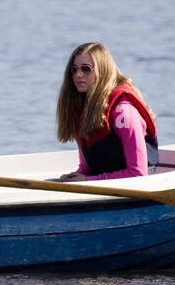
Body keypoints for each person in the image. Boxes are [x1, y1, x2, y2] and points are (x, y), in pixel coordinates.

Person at [55, 43, 158, 182]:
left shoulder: (124, 113)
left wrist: (88, 181)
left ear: (102, 71)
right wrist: (77, 176)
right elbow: (87, 167)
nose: (78, 74)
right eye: (74, 70)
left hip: (134, 187)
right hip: (103, 184)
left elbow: (137, 174)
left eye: (86, 69)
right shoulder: (82, 109)